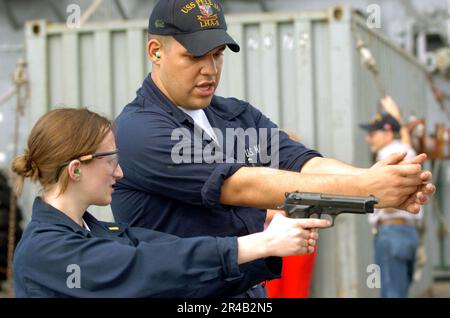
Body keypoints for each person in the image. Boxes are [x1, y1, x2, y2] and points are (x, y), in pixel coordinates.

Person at [111, 0, 435, 297]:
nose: (210, 69)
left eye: (217, 53)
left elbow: (302, 163)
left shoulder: (235, 114)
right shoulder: (139, 130)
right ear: (155, 51)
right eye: (195, 56)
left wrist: (379, 181)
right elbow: (239, 184)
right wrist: (367, 188)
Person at [11, 108, 331, 298]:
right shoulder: (45, 250)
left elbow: (178, 265)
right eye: (111, 161)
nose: (119, 172)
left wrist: (268, 249)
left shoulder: (101, 232)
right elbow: (148, 268)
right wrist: (264, 242)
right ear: (76, 169)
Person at [360, 96, 423, 298]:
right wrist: (397, 117)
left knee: (392, 294)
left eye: (372, 133)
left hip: (391, 232)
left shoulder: (389, 153)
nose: (368, 138)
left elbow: (389, 196)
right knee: (399, 292)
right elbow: (407, 144)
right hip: (407, 233)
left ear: (387, 133)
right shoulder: (401, 150)